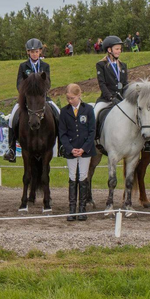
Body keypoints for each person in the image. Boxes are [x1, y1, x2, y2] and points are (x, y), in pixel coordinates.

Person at [4, 38, 60, 162]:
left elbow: (48, 82)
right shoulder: (23, 66)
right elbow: (19, 83)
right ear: (28, 52)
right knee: (12, 117)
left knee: (58, 113)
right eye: (32, 52)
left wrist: (41, 91)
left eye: (36, 51)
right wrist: (25, 94)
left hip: (42, 98)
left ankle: (61, 145)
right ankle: (11, 148)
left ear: (40, 51)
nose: (34, 54)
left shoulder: (45, 66)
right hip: (27, 99)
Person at [58, 84, 96, 221]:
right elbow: (62, 133)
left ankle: (82, 209)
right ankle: (72, 209)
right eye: (68, 98)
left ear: (79, 95)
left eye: (72, 98)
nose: (70, 101)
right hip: (71, 150)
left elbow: (92, 131)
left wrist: (84, 148)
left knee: (83, 176)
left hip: (85, 150)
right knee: (72, 177)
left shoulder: (88, 109)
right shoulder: (64, 111)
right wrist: (69, 148)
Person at [93, 36, 128, 123]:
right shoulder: (101, 65)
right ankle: (95, 136)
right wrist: (111, 98)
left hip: (121, 99)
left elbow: (125, 83)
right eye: (117, 49)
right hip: (106, 99)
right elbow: (102, 84)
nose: (119, 51)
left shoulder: (123, 65)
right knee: (95, 113)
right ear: (109, 50)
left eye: (120, 49)